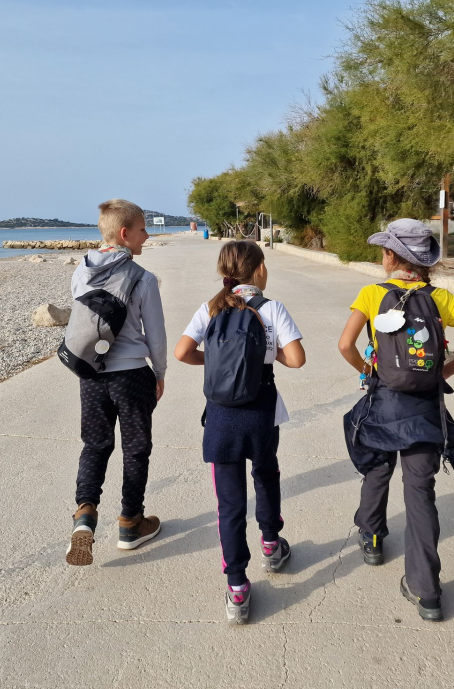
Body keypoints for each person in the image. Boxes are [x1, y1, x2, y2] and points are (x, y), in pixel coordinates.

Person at [337, 219, 454, 621]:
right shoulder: (441, 298)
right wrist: (444, 373)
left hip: (383, 403)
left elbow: (345, 345)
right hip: (425, 408)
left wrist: (368, 373)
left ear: (391, 256)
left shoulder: (372, 294)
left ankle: (372, 539)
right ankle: (426, 590)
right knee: (419, 490)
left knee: (376, 468)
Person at [174, 240, 305, 624]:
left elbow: (182, 352)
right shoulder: (270, 308)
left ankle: (237, 587)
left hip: (220, 417)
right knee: (266, 475)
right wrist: (270, 352)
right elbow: (296, 359)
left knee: (229, 503)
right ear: (259, 269)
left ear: (224, 272)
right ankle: (271, 544)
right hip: (261, 412)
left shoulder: (210, 308)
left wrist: (216, 364)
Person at [65, 199, 168, 566]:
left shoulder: (82, 271)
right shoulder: (143, 278)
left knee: (95, 445)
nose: (147, 234)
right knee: (136, 448)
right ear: (125, 234)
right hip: (131, 376)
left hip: (91, 374)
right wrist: (160, 373)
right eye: (143, 229)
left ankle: (85, 515)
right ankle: (130, 522)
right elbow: (155, 335)